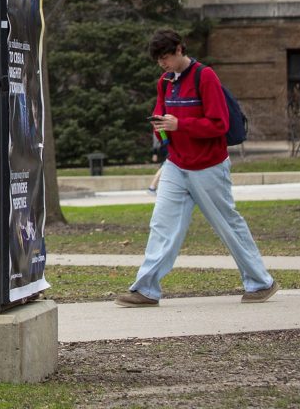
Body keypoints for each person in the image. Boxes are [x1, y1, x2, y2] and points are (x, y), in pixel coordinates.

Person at [116, 30, 277, 307]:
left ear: (179, 50)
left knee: (227, 224)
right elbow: (161, 113)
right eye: (158, 60)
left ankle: (260, 282)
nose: (162, 64)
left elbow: (219, 124)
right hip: (176, 165)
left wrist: (181, 125)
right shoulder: (165, 81)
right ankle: (146, 289)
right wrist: (160, 128)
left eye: (165, 57)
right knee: (162, 225)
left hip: (209, 166)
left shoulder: (206, 76)